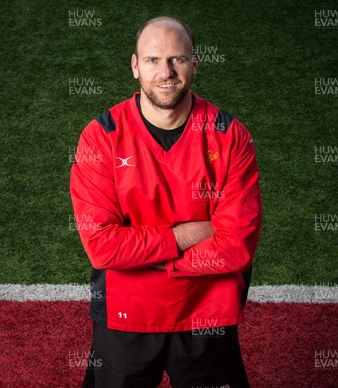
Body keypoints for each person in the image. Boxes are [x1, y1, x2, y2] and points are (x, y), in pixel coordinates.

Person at [70, 16, 262, 387]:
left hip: (207, 316)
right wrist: (185, 235)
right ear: (135, 66)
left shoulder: (228, 135)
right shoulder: (102, 137)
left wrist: (148, 263)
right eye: (153, 59)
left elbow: (237, 246)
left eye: (177, 58)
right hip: (127, 313)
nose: (165, 71)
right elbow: (102, 247)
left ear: (195, 63)